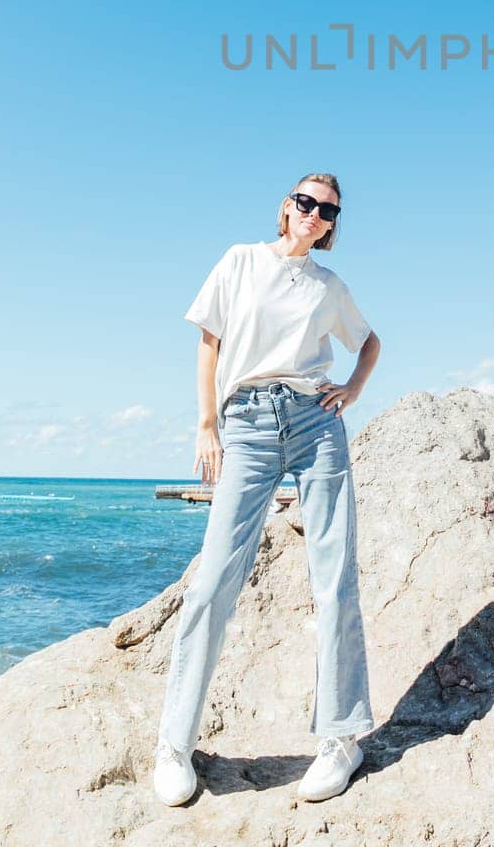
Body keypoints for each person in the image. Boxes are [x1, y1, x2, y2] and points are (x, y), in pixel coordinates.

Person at [153, 172, 382, 807]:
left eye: (327, 210)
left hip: (316, 421)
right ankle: (174, 745)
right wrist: (206, 425)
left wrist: (352, 391)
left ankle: (342, 739)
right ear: (286, 208)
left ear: (332, 224)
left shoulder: (329, 287)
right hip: (247, 423)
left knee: (334, 576)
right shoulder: (240, 260)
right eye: (305, 202)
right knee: (213, 582)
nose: (314, 214)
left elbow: (368, 343)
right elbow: (209, 342)